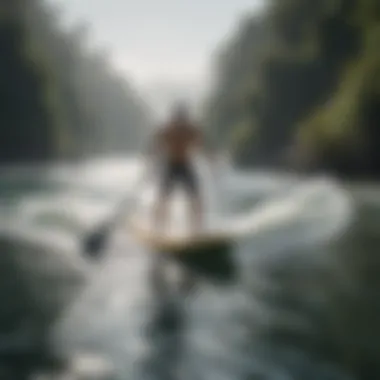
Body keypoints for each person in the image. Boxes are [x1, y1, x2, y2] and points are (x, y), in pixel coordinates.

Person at [148, 101, 212, 234]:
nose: (180, 122)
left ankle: (197, 230)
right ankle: (158, 228)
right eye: (178, 118)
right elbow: (156, 146)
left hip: (185, 166)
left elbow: (202, 144)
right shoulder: (168, 129)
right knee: (163, 198)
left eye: (182, 118)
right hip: (171, 166)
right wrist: (151, 163)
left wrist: (211, 158)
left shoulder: (190, 129)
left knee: (195, 197)